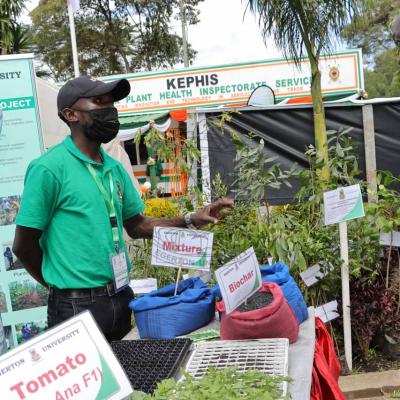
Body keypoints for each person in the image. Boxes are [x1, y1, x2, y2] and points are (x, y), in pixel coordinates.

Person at [12, 76, 233, 342]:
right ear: (71, 114)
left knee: (127, 376)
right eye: (99, 101)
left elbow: (137, 225)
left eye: (112, 102)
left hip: (119, 295)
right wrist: (59, 286)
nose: (110, 109)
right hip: (74, 304)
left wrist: (191, 219)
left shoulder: (114, 168)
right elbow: (23, 247)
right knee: (88, 383)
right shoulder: (48, 169)